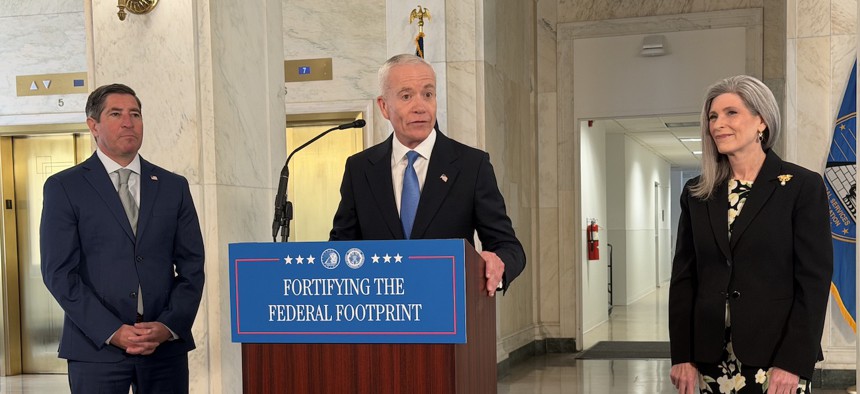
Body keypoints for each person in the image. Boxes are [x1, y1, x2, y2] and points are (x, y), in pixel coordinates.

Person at [669, 75, 833, 394]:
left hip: (776, 360)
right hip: (707, 358)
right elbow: (684, 279)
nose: (718, 124)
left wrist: (794, 362)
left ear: (761, 121)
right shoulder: (696, 193)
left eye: (731, 113)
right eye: (713, 116)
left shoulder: (801, 187)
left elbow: (813, 281)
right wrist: (682, 356)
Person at [40, 83, 205, 393]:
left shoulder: (173, 186)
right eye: (116, 113)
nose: (129, 122)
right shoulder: (64, 187)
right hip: (95, 349)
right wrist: (112, 330)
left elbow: (192, 267)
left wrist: (167, 326)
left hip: (163, 349)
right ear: (93, 125)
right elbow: (59, 273)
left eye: (135, 114)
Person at [329, 54, 526, 295]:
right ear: (383, 106)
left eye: (428, 94)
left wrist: (498, 265)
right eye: (406, 96)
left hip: (448, 315)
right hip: (381, 319)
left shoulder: (471, 165)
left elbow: (509, 247)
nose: (420, 106)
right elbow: (340, 249)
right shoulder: (359, 169)